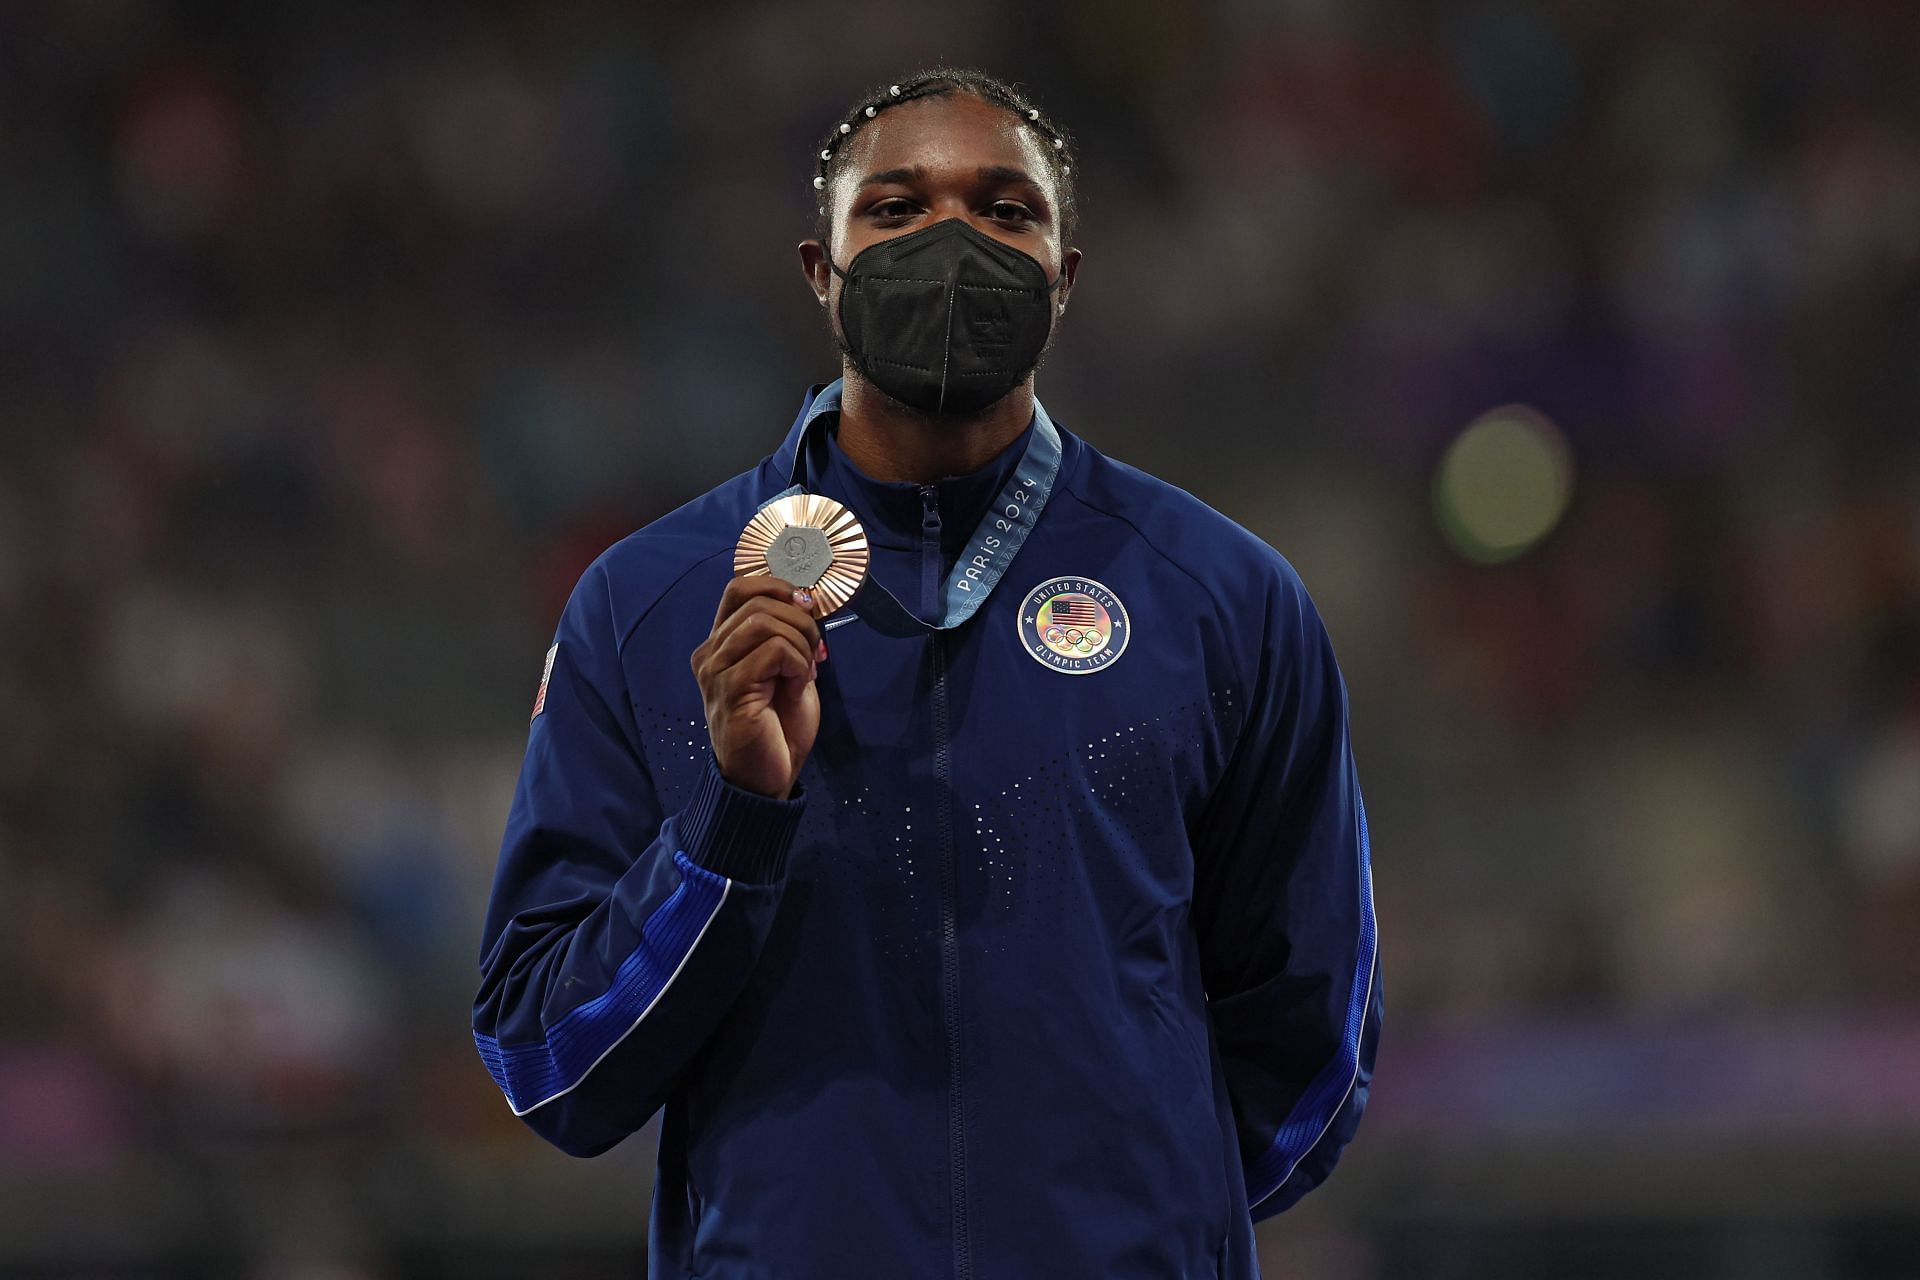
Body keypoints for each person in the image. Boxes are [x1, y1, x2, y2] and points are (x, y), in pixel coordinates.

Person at [471, 67, 1380, 1279]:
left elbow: (1313, 1038)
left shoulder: (1223, 595)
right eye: (895, 211)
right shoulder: (647, 605)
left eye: (1007, 211)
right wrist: (730, 827)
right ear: (819, 270)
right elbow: (548, 1059)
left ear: (1065, 275)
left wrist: (1139, 1228)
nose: (952, 241)